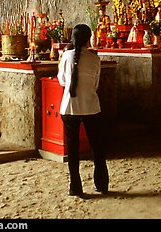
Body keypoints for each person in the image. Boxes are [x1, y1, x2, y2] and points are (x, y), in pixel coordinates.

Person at [57, 24, 109, 197]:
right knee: (98, 146)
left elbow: (62, 81)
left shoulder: (66, 56)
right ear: (89, 38)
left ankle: (75, 187)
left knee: (73, 150)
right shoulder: (95, 59)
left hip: (69, 107)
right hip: (91, 107)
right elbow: (96, 85)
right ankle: (101, 184)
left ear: (73, 38)